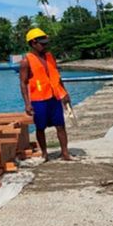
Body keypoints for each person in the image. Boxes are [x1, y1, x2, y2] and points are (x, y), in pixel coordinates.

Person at [20, 28, 72, 161]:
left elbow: (57, 76)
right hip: (39, 99)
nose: (45, 46)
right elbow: (23, 83)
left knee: (60, 125)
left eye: (45, 43)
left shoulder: (50, 56)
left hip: (54, 97)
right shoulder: (26, 61)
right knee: (40, 128)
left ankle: (65, 153)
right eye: (42, 44)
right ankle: (44, 153)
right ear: (33, 43)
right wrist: (27, 104)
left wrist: (64, 93)